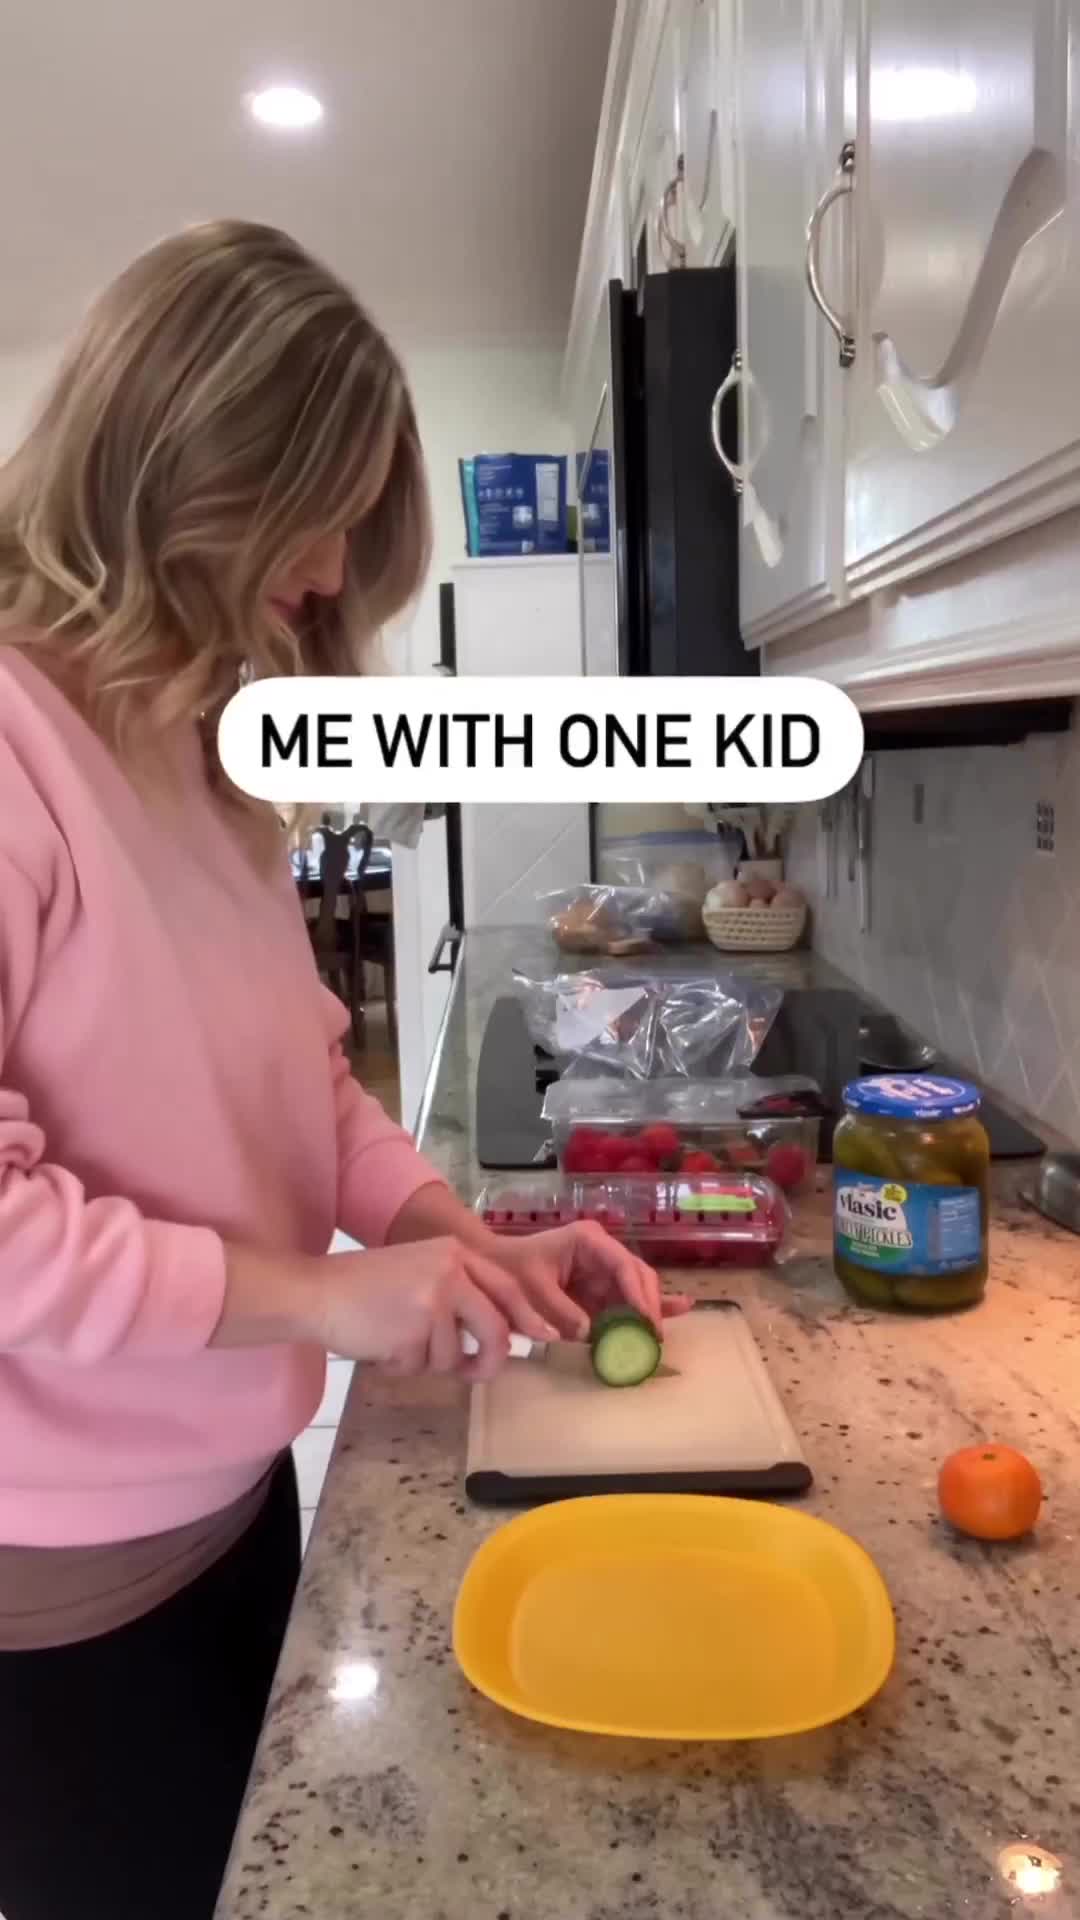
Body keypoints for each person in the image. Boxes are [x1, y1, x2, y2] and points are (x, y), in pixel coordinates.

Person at [0, 220, 691, 1920]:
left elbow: (305, 1075)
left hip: (234, 1509)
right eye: (312, 521)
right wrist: (323, 1297)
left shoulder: (191, 751)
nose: (321, 580)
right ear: (183, 464)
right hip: (59, 1593)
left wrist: (455, 1236)